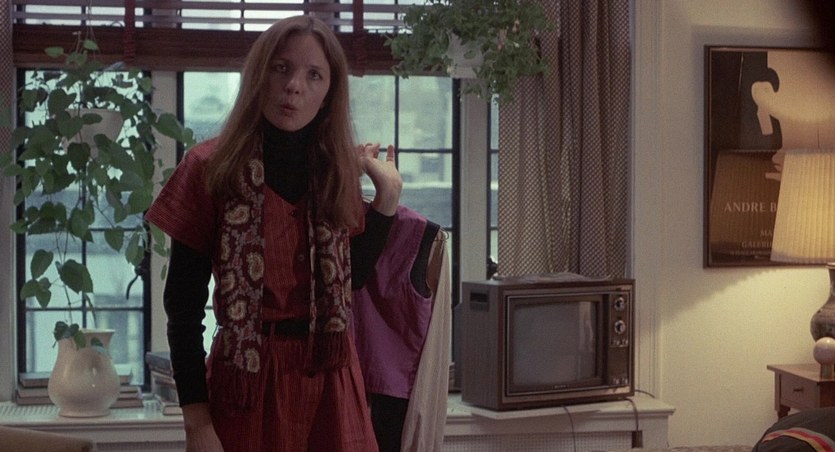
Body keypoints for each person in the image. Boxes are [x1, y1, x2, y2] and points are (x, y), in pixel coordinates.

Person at [145, 14, 402, 452]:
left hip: (332, 387)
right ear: (258, 75)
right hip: (246, 386)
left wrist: (388, 200)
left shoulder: (336, 170)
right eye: (281, 68)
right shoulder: (209, 168)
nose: (294, 86)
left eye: (314, 75)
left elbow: (350, 282)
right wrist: (196, 423)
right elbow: (182, 308)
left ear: (329, 92)